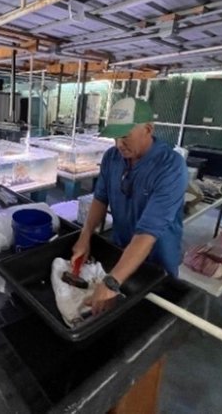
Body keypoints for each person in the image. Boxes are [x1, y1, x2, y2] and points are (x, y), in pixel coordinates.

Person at [71, 97, 187, 315]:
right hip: (120, 251)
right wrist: (85, 236)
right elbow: (100, 198)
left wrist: (111, 283)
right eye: (115, 137)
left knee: (152, 316)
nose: (118, 144)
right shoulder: (112, 158)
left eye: (125, 136)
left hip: (157, 260)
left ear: (148, 129)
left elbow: (148, 232)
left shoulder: (170, 167)